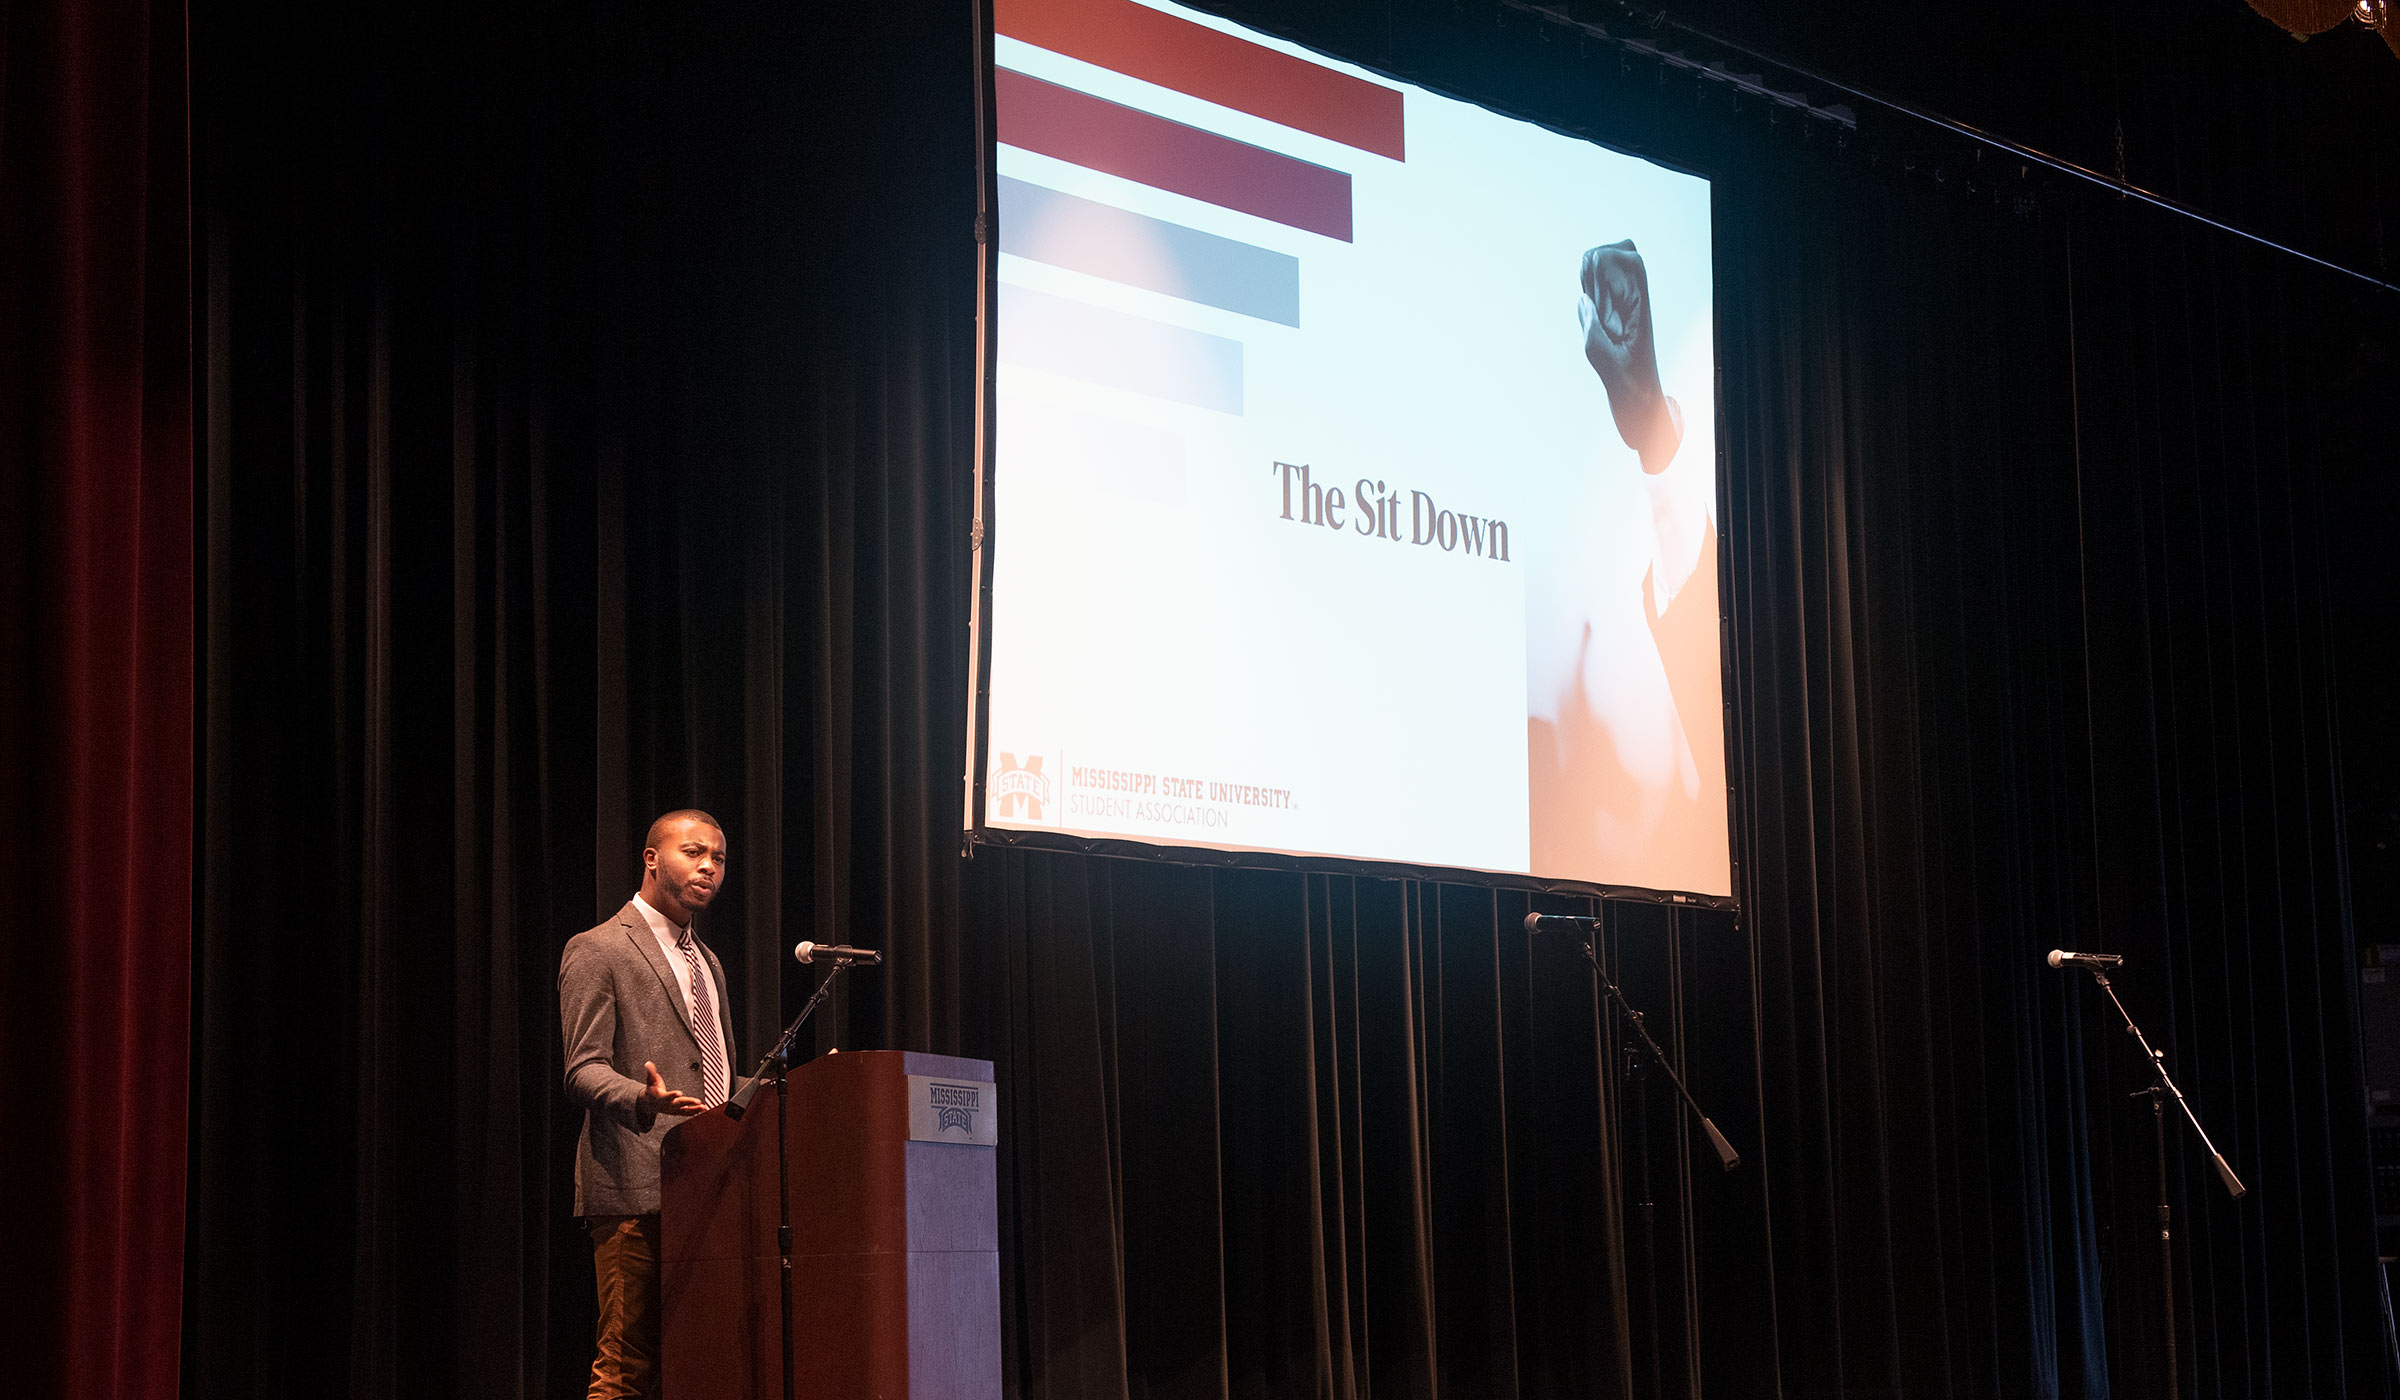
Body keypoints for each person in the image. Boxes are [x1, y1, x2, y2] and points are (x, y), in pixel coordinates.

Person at [559, 809, 741, 1400]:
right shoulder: (597, 949)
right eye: (693, 853)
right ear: (652, 859)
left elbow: (714, 1067)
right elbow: (581, 1070)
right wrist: (645, 1098)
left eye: (717, 857)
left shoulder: (706, 960)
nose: (708, 867)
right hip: (635, 1188)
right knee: (624, 1369)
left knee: (701, 1357)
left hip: (708, 1183)